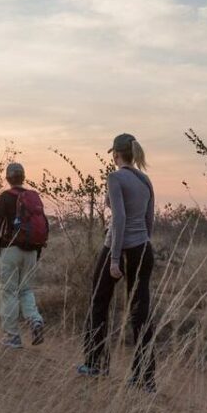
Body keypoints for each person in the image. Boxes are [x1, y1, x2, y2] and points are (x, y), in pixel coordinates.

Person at [76, 134, 158, 393]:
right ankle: (145, 376)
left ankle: (95, 362)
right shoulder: (145, 180)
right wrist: (142, 242)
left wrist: (114, 258)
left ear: (116, 154)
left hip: (118, 247)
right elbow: (149, 218)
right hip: (143, 248)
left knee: (99, 302)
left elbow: (119, 219)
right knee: (140, 311)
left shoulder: (115, 178)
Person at [0, 163, 46, 349]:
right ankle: (35, 320)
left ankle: (12, 337)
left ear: (8, 179)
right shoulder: (33, 197)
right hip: (31, 251)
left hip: (10, 250)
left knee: (8, 292)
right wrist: (37, 252)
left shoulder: (5, 198)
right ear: (23, 177)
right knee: (26, 290)